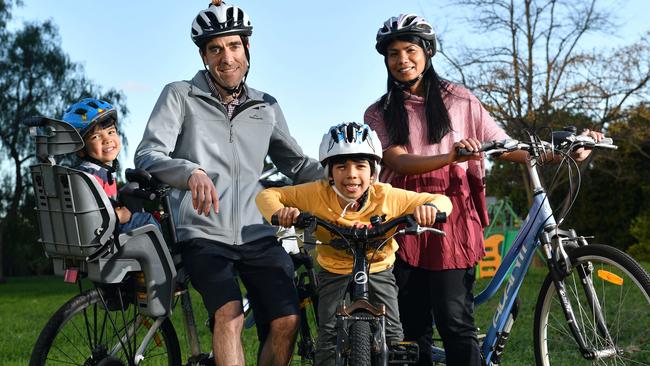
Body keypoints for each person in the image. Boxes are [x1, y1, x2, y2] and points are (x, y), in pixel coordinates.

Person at [364, 14, 604, 366]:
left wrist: (562, 152)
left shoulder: (460, 100)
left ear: (427, 52)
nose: (402, 60)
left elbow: (504, 145)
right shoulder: (380, 111)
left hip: (452, 216)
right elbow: (397, 161)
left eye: (410, 50)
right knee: (410, 331)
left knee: (455, 321)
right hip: (404, 218)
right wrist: (451, 155)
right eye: (393, 53)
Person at [134, 2, 322, 365]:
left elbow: (296, 164)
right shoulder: (180, 95)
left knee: (287, 319)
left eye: (234, 46)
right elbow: (148, 154)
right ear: (204, 55)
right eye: (216, 49)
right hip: (203, 233)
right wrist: (190, 172)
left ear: (247, 49)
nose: (227, 57)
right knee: (230, 314)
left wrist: (345, 174)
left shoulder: (266, 106)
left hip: (258, 232)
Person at [255, 122, 452, 366]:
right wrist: (282, 212)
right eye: (341, 166)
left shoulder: (387, 196)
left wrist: (429, 209)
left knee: (393, 334)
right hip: (334, 270)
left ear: (373, 173)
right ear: (328, 173)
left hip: (378, 268)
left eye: (360, 166)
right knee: (328, 335)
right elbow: (268, 195)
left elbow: (441, 199)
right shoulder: (315, 193)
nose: (351, 174)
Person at [62, 97, 159, 233]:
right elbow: (91, 214)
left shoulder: (98, 171)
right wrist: (120, 215)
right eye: (96, 137)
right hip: (105, 233)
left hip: (106, 229)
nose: (107, 140)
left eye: (111, 132)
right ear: (81, 149)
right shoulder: (89, 176)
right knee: (148, 221)